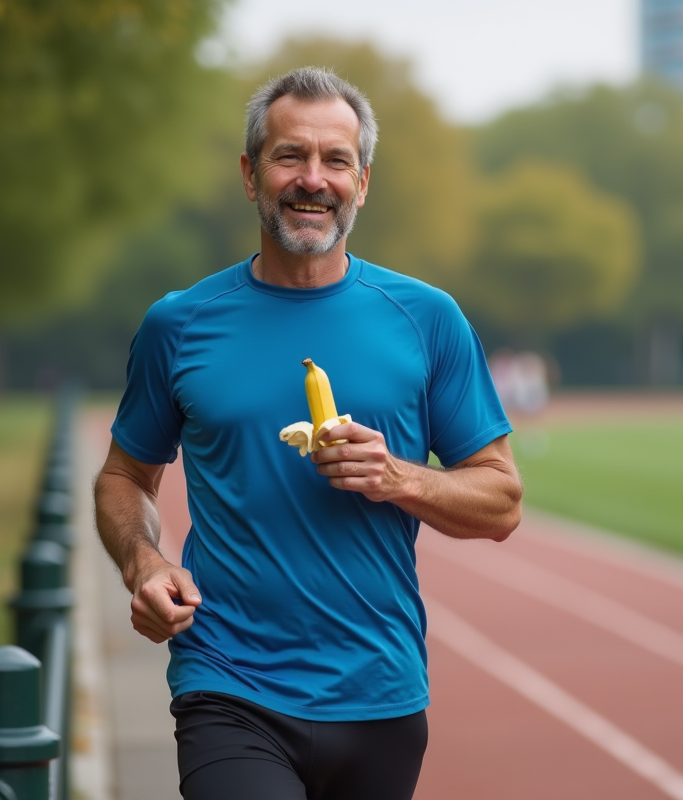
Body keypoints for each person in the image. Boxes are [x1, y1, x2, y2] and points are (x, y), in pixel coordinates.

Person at [93, 67, 523, 800]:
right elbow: (124, 477)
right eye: (290, 156)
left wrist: (400, 477)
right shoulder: (181, 323)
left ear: (363, 182)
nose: (312, 179)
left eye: (336, 161)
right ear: (250, 173)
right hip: (228, 680)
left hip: (381, 690)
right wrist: (144, 563)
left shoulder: (427, 319)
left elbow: (501, 502)